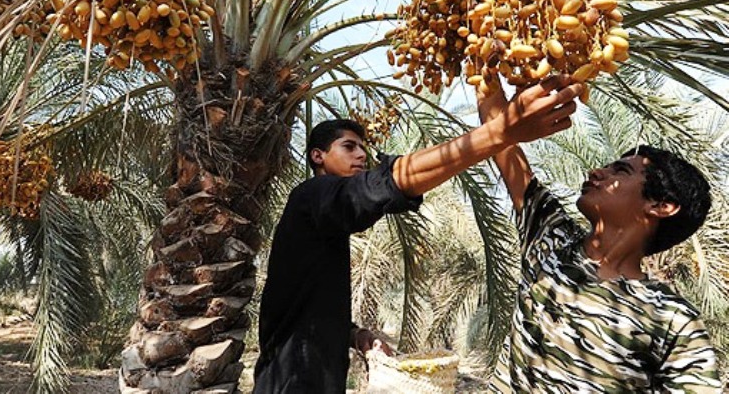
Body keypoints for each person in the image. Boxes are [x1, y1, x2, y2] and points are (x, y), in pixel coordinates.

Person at [252, 74, 585, 393]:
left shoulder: (322, 222)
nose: (361, 155)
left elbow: (303, 308)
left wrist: (353, 334)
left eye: (363, 149)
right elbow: (383, 186)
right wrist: (499, 133)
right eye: (349, 147)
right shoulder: (312, 194)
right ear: (318, 156)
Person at [476, 76, 722, 393]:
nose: (596, 172)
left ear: (661, 205)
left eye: (621, 171)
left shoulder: (673, 321)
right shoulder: (551, 238)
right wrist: (481, 42)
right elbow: (502, 137)